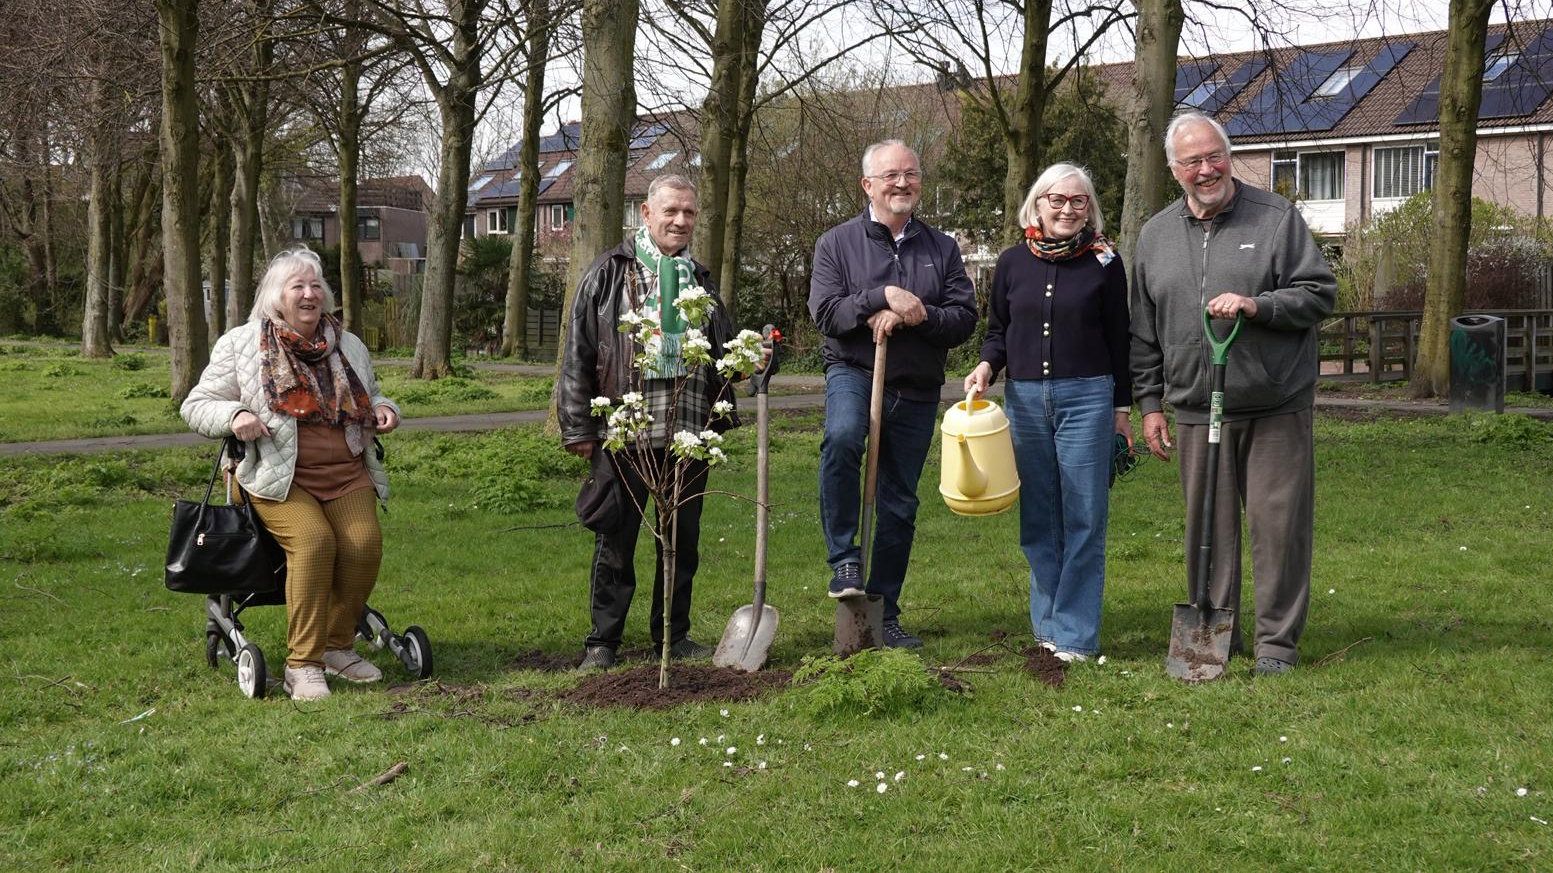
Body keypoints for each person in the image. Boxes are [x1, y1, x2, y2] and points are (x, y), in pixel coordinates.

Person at [1130, 111, 1337, 676]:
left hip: (1274, 403)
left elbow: (1319, 293)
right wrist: (1151, 404)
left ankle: (1277, 646)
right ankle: (1216, 636)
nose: (1206, 169)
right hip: (1197, 405)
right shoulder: (1154, 235)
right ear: (1175, 170)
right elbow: (1143, 330)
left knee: (1278, 526)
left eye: (1214, 156)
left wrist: (1258, 306)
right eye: (1193, 161)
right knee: (1208, 529)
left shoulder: (1275, 218)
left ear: (1229, 156)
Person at [182, 248, 401, 701]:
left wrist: (384, 409)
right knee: (315, 541)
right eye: (297, 286)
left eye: (315, 285)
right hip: (276, 478)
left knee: (363, 545)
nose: (309, 294)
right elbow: (196, 404)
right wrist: (236, 414)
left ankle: (338, 646)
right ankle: (303, 664)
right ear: (276, 297)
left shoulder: (348, 344)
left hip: (346, 472)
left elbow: (374, 393)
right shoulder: (242, 344)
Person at [557, 174, 743, 671]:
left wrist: (749, 360)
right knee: (615, 540)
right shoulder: (609, 273)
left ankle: (674, 637)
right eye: (671, 211)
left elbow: (724, 352)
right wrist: (579, 427)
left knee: (682, 540)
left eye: (689, 212)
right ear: (646, 213)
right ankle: (603, 643)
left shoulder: (701, 281)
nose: (680, 221)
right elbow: (578, 352)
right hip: (626, 433)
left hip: (689, 434)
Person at [810, 139, 978, 648]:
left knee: (899, 503)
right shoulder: (836, 244)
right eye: (890, 175)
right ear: (868, 185)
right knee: (841, 439)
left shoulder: (942, 248)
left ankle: (884, 614)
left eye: (910, 174)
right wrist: (879, 298)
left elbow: (964, 320)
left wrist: (919, 313)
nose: (902, 183)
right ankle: (843, 558)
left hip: (917, 385)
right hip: (854, 370)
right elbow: (827, 315)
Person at [963, 163, 1132, 663]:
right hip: (1026, 400)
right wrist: (987, 366)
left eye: (1077, 202)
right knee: (1040, 516)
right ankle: (1047, 628)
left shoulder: (1105, 261)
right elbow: (998, 330)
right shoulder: (1013, 262)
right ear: (1037, 204)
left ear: (1090, 209)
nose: (1066, 209)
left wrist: (1122, 408)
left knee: (1084, 515)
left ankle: (1076, 636)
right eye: (1056, 200)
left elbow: (1119, 338)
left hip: (1089, 397)